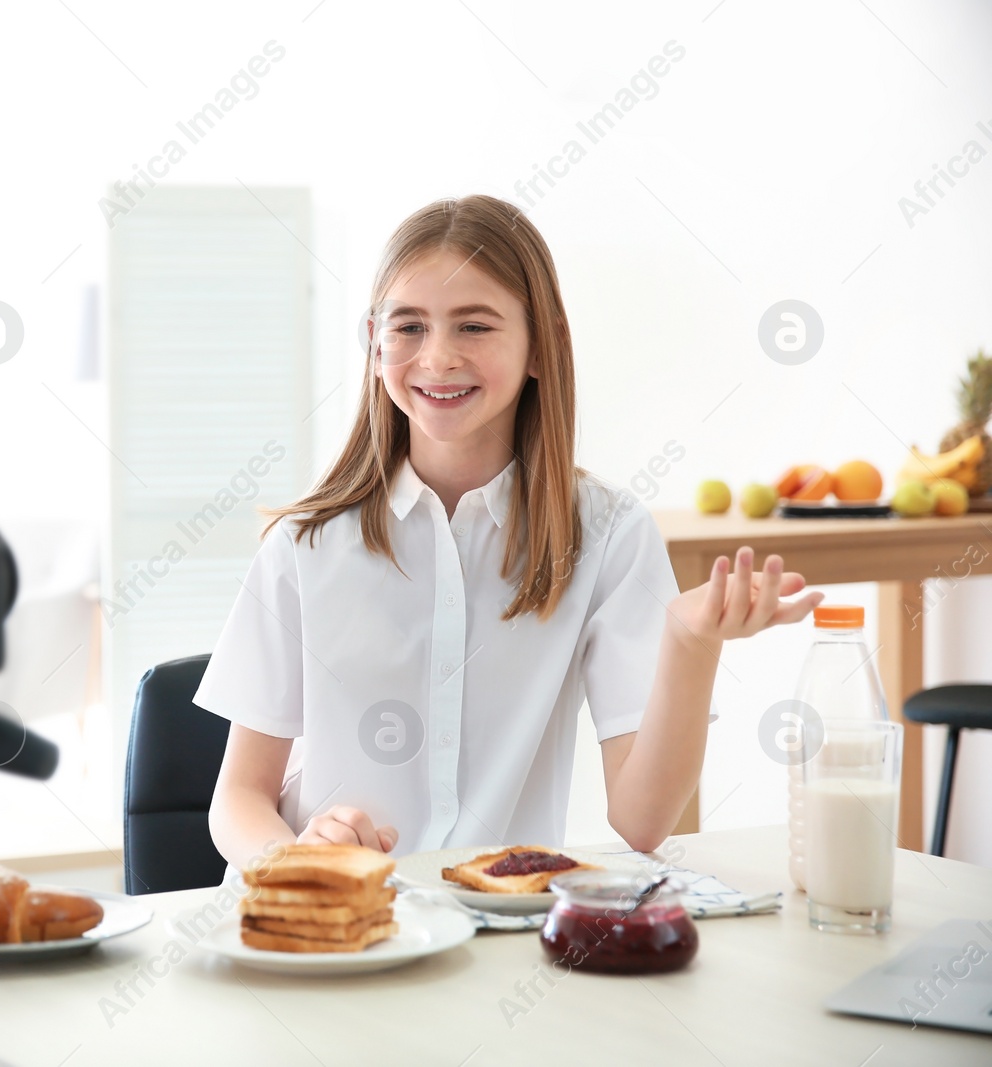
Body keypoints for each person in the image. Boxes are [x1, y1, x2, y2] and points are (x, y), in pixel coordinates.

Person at [198, 195, 822, 871]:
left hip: (501, 935)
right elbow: (237, 796)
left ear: (540, 346)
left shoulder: (608, 534)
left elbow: (642, 822)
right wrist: (295, 861)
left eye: (474, 326)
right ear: (376, 344)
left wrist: (692, 643)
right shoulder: (304, 544)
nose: (437, 358)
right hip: (334, 933)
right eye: (409, 326)